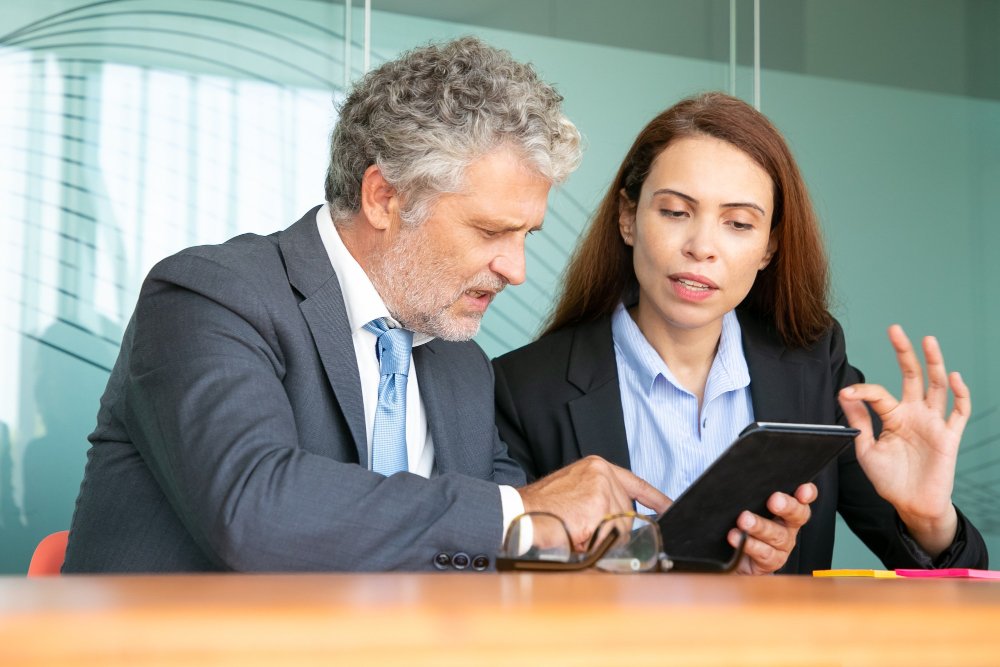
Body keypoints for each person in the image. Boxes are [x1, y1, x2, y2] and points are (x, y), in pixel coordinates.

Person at [63, 37, 669, 573]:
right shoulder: (210, 296)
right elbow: (253, 511)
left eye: (526, 235)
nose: (517, 269)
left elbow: (518, 541)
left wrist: (638, 545)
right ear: (383, 198)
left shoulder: (460, 365)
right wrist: (522, 511)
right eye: (490, 232)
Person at [493, 92, 988, 575]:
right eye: (675, 212)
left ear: (769, 248)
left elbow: (953, 582)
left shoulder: (813, 366)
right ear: (628, 218)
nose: (702, 246)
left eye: (738, 223)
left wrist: (929, 518)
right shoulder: (523, 388)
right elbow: (490, 578)